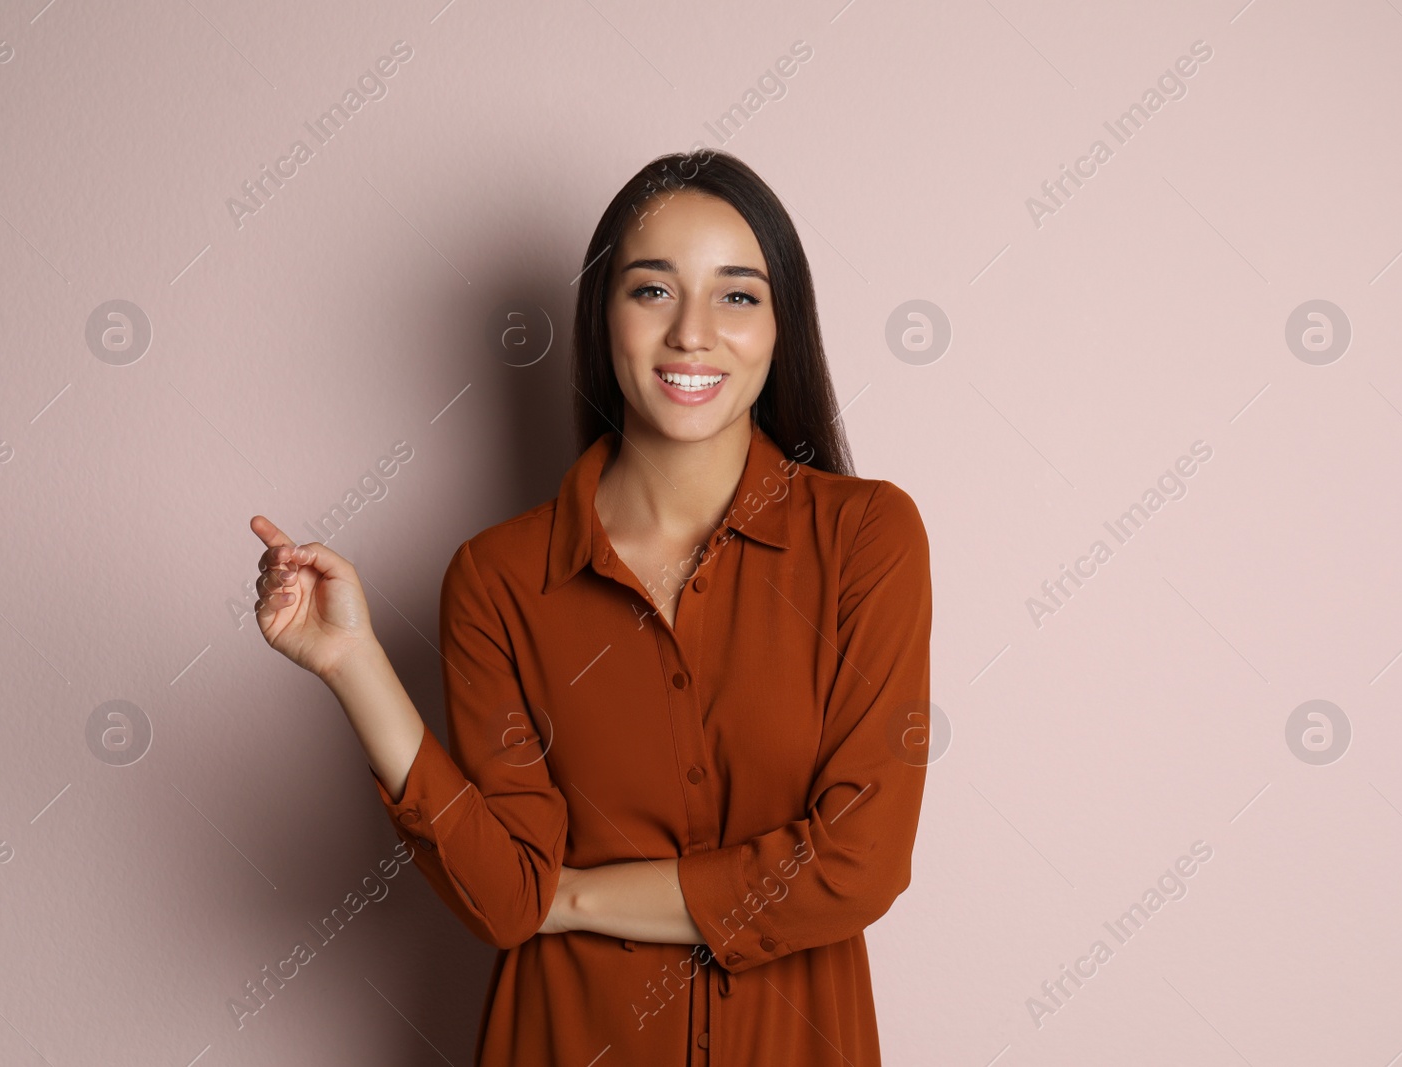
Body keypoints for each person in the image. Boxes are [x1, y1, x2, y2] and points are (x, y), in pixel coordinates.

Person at [249, 149, 932, 1065]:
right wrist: (353, 663)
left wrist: (570, 900)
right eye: (653, 291)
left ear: (782, 327)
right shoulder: (497, 580)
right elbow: (503, 899)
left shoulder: (867, 539)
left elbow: (859, 860)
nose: (693, 333)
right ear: (602, 316)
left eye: (737, 295)